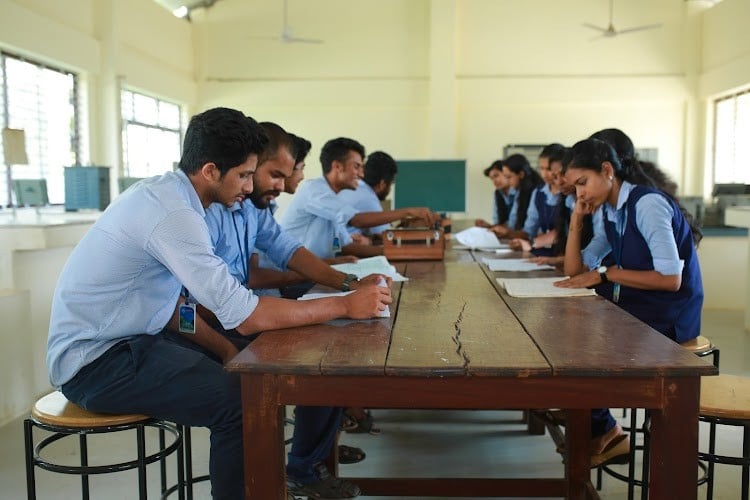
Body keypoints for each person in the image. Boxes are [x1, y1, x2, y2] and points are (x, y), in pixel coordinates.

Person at [47, 107, 391, 500]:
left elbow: (171, 305)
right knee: (240, 401)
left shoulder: (176, 198)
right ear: (211, 171)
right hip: (96, 361)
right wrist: (345, 305)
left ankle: (289, 474)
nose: (249, 188)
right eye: (245, 175)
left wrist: (230, 349)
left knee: (264, 370)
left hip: (139, 340)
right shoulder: (175, 214)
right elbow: (243, 313)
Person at [553, 137, 704, 467]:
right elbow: (577, 269)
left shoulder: (647, 205)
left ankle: (601, 427)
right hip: (638, 309)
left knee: (579, 345)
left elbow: (670, 279)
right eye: (574, 188)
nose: (579, 193)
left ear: (607, 170)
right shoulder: (609, 209)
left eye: (582, 183)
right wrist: (578, 220)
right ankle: (595, 427)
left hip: (670, 316)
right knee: (563, 331)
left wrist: (609, 273)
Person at [280, 137, 437, 259]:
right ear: (337, 167)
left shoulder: (335, 200)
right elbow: (356, 220)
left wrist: (398, 252)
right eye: (356, 166)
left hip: (315, 271)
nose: (362, 175)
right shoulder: (314, 190)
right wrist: (407, 212)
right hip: (292, 277)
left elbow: (345, 246)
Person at [509, 144, 566, 255]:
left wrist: (531, 242)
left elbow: (563, 231)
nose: (544, 174)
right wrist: (514, 238)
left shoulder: (569, 193)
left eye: (548, 169)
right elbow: (529, 230)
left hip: (563, 254)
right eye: (541, 168)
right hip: (542, 251)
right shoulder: (538, 192)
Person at [337, 150, 399, 239]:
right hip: (341, 248)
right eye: (391, 183)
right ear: (382, 184)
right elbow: (388, 238)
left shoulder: (355, 187)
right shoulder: (368, 198)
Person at [489, 154, 544, 240]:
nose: (507, 180)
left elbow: (530, 231)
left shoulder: (536, 192)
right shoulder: (519, 192)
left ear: (521, 174)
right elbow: (513, 221)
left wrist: (508, 233)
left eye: (509, 177)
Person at [475, 159, 514, 230]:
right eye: (492, 178)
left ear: (506, 173)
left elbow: (516, 223)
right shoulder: (498, 193)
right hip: (506, 236)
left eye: (496, 176)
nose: (494, 181)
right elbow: (497, 221)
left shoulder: (519, 192)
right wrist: (489, 226)